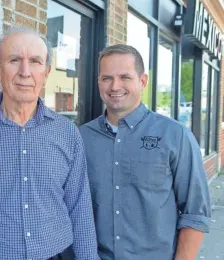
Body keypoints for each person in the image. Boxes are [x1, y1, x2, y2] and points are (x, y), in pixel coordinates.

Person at [0, 26, 99, 260]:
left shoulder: (67, 133)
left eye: (35, 61)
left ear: (46, 71)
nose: (25, 72)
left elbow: (80, 208)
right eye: (14, 60)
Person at [80, 44, 211, 260]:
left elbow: (195, 212)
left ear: (143, 81)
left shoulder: (175, 136)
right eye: (106, 78)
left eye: (125, 77)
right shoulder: (82, 137)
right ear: (98, 82)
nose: (115, 86)